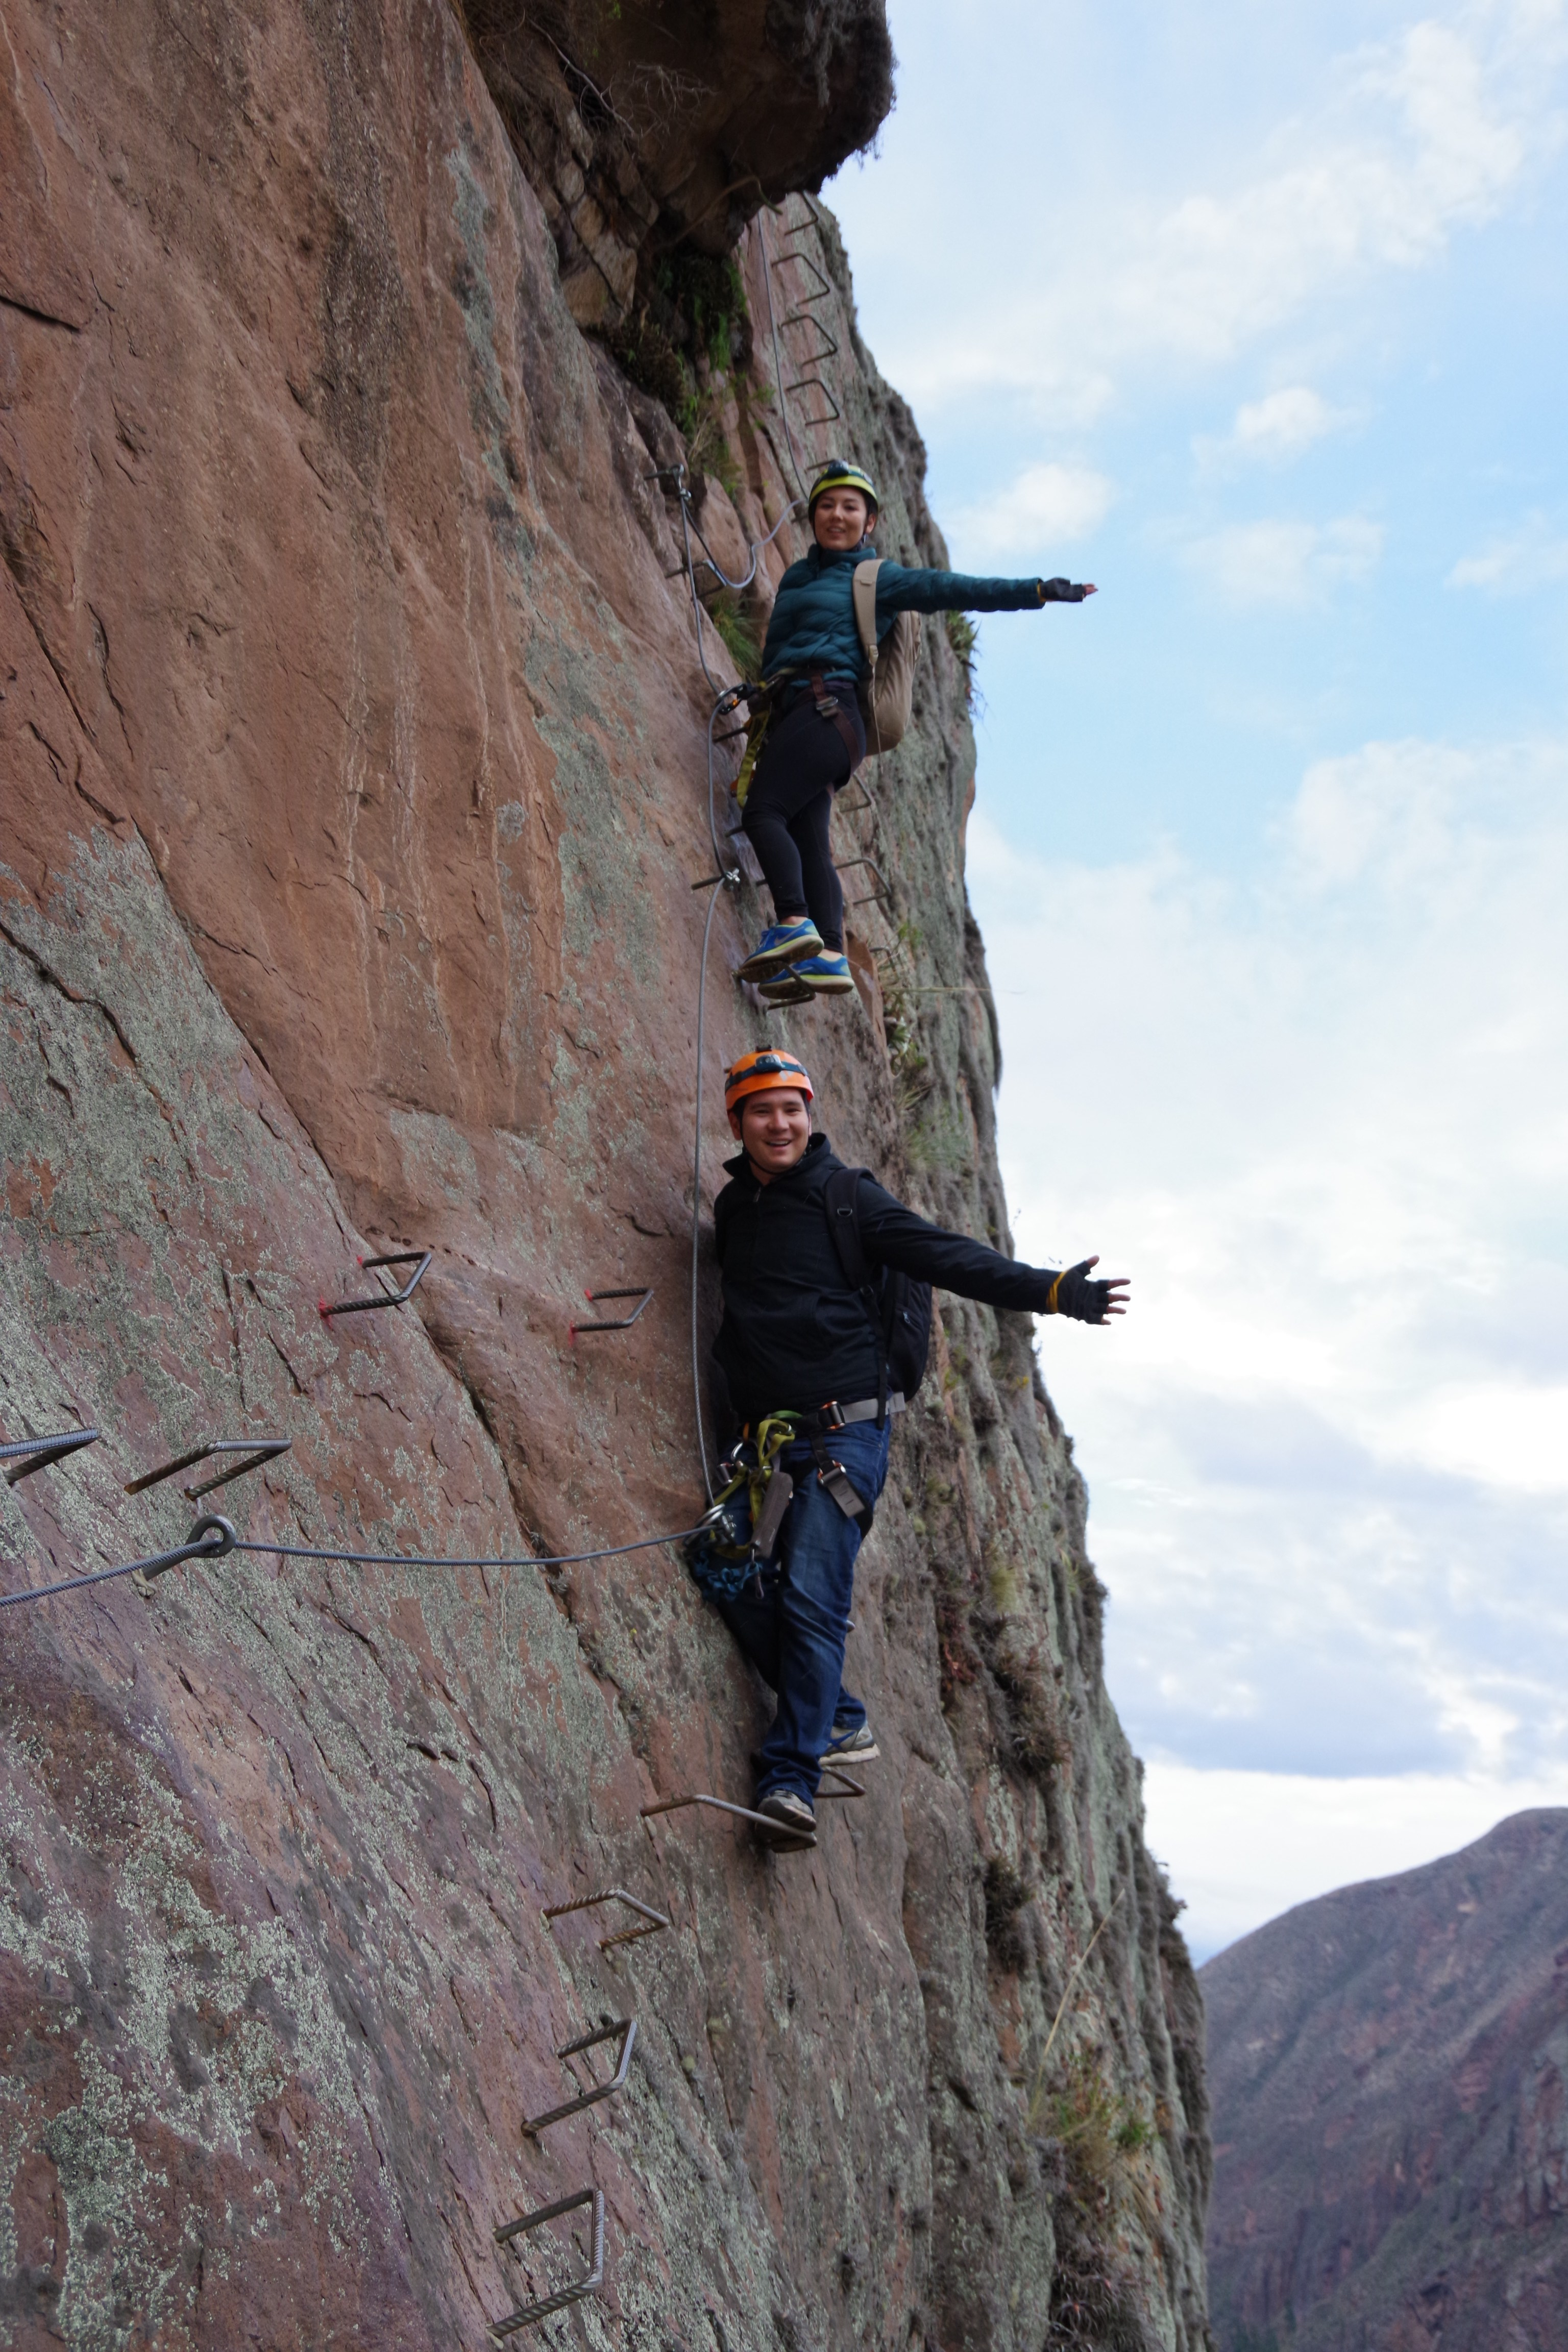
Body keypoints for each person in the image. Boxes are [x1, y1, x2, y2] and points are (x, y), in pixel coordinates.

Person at [699, 1047, 1129, 1851]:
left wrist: (1052, 1291)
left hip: (844, 1434)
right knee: (724, 1570)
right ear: (738, 1123)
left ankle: (791, 1780)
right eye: (762, 1111)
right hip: (768, 1443)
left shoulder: (847, 1197)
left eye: (791, 1108)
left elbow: (947, 1257)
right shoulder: (735, 1212)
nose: (779, 1123)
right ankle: (840, 1717)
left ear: (809, 1113)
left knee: (811, 1597)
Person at [736, 460, 1095, 1004]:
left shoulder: (878, 578)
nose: (837, 515)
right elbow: (783, 651)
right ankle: (830, 954)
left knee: (763, 810)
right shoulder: (796, 578)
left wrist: (1037, 590)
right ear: (813, 516)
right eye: (827, 505)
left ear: (870, 521)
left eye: (850, 507)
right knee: (810, 840)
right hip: (805, 716)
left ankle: (792, 921)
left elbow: (951, 588)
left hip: (827, 709)